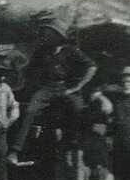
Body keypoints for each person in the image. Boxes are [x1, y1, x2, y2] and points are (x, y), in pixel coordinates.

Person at [7, 22, 97, 165]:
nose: (47, 38)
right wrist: (17, 67)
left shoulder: (70, 51)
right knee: (30, 110)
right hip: (46, 88)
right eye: (46, 35)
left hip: (64, 87)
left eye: (51, 35)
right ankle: (14, 151)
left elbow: (92, 66)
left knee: (77, 108)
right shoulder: (41, 52)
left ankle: (70, 145)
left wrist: (78, 86)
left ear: (59, 37)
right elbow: (29, 70)